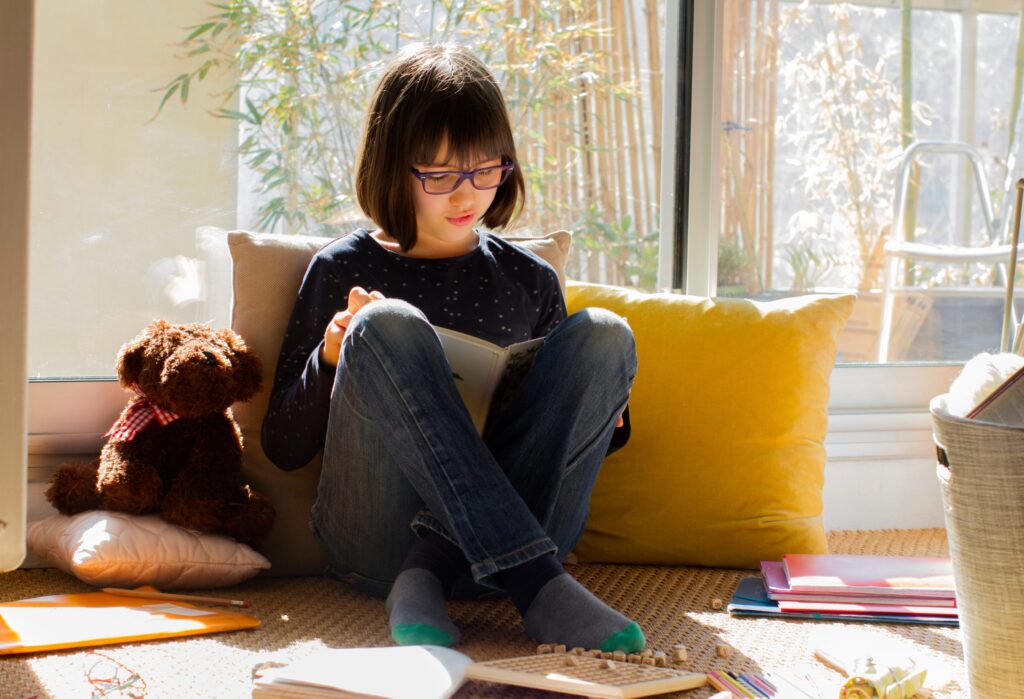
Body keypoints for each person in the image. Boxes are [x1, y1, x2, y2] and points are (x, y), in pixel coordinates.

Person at [261, 42, 642, 653]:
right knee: (386, 323)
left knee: (604, 333)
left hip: (525, 525)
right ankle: (537, 585)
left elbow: (588, 444)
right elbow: (282, 447)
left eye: (486, 171)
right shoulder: (341, 268)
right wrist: (335, 356)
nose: (467, 197)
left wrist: (603, 406)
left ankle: (430, 573)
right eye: (439, 176)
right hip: (375, 540)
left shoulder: (531, 278)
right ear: (392, 167)